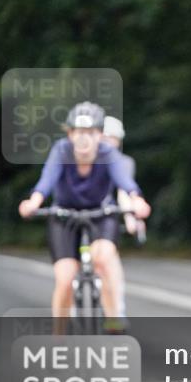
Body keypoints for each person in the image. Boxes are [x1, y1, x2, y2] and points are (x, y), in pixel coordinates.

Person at [17, 102, 151, 333]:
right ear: (70, 133)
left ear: (100, 134)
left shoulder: (108, 153)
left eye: (90, 133)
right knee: (65, 278)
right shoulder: (61, 150)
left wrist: (136, 199)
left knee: (104, 261)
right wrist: (33, 202)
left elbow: (125, 181)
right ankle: (58, 336)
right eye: (79, 133)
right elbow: (46, 181)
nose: (84, 139)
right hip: (64, 215)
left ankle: (113, 319)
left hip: (101, 213)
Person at [101, 116, 145, 243]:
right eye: (105, 138)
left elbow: (124, 192)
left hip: (105, 210)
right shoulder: (85, 158)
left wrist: (129, 216)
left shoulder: (124, 162)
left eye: (112, 138)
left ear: (118, 141)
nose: (108, 142)